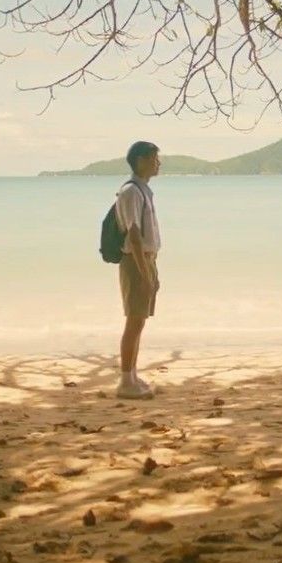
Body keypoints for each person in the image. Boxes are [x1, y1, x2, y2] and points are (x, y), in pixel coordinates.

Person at [114, 141, 162, 399]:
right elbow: (133, 236)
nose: (158, 163)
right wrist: (144, 274)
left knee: (139, 320)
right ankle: (125, 382)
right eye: (154, 158)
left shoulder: (143, 190)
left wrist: (152, 270)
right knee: (134, 321)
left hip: (146, 260)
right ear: (141, 160)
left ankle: (132, 375)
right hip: (136, 261)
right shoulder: (131, 191)